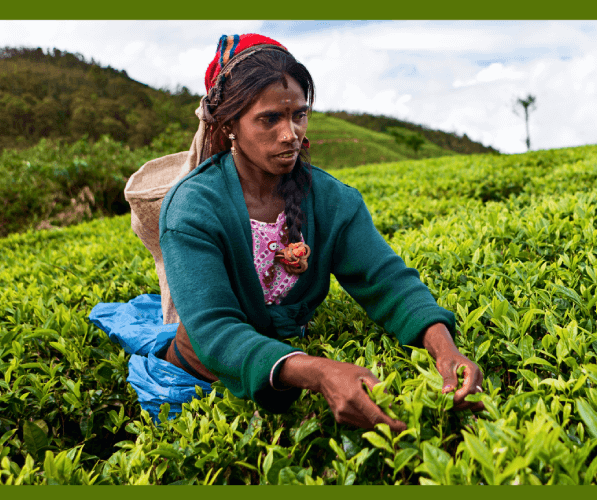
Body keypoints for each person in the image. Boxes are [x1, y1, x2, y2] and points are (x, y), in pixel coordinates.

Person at [134, 33, 484, 432]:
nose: (290, 134)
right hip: (205, 376)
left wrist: (444, 348)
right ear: (230, 123)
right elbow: (216, 332)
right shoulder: (194, 207)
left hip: (291, 366)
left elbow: (387, 281)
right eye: (269, 119)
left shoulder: (333, 200)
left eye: (298, 115)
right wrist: (319, 373)